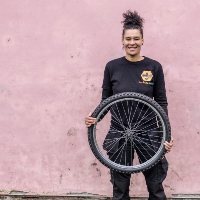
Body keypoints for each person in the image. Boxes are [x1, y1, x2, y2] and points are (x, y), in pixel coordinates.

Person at [85, 10, 174, 200]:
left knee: (156, 187)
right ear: (122, 41)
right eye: (128, 39)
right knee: (120, 188)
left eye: (136, 38)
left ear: (142, 41)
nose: (131, 42)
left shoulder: (154, 67)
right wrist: (95, 117)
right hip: (119, 132)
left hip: (149, 132)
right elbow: (106, 101)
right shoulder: (112, 67)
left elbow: (161, 103)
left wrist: (167, 135)